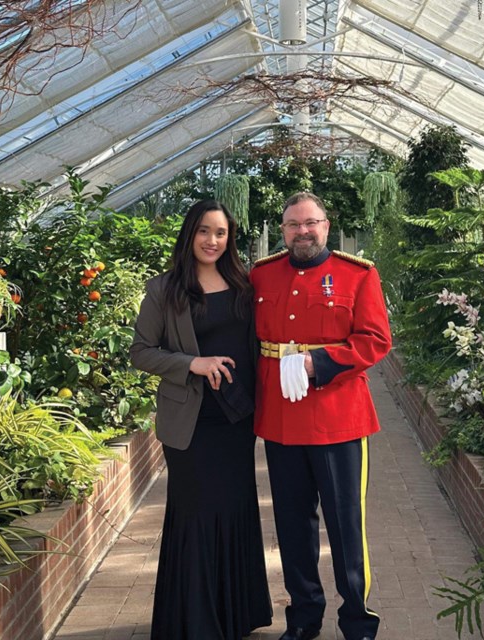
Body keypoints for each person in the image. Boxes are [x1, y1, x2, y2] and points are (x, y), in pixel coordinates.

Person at [250, 192, 392, 640]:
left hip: (339, 418)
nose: (302, 232)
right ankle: (304, 616)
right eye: (293, 225)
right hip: (281, 419)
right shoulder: (262, 275)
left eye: (310, 223)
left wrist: (318, 364)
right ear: (283, 229)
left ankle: (357, 619)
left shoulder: (358, 275)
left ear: (326, 226)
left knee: (346, 524)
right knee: (293, 527)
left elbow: (375, 341)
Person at [130, 199, 272, 640]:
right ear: (190, 234)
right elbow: (140, 352)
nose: (213, 241)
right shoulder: (164, 290)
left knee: (235, 510)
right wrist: (191, 363)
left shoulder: (244, 284)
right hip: (190, 426)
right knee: (195, 514)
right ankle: (195, 621)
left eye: (222, 233)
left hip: (236, 421)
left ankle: (235, 614)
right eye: (205, 232)